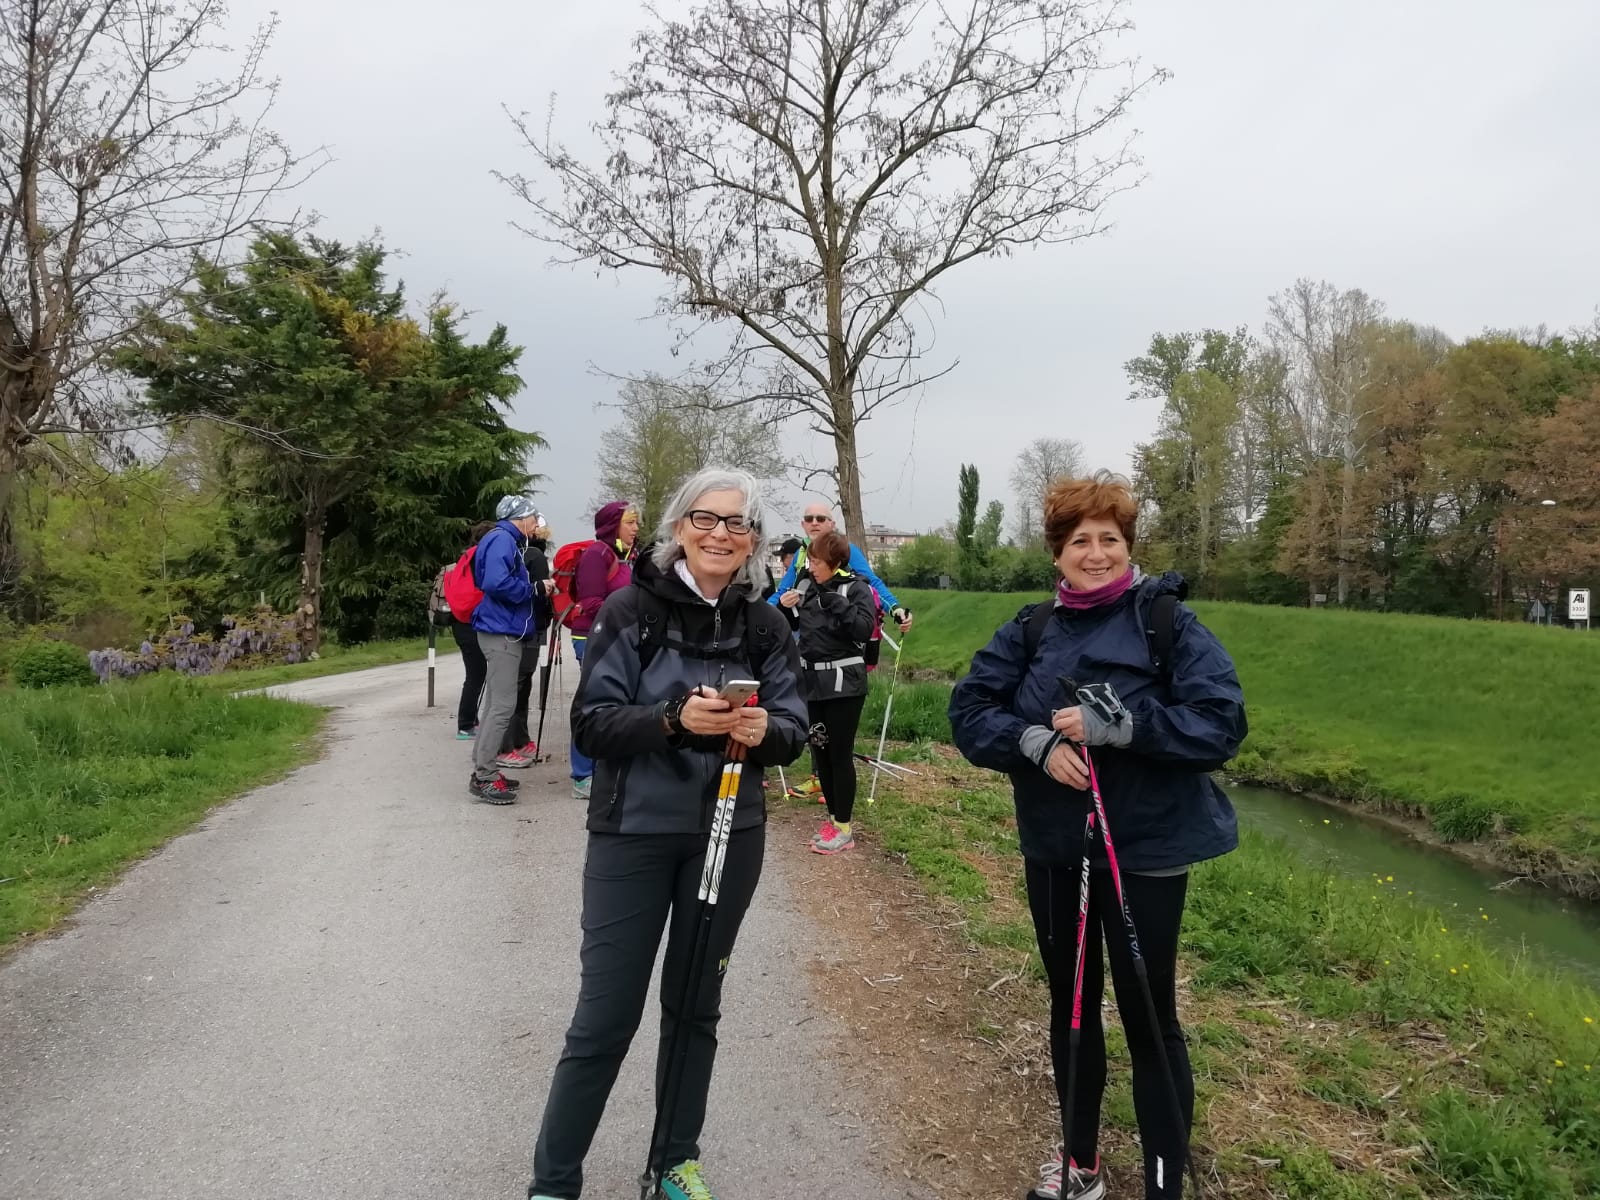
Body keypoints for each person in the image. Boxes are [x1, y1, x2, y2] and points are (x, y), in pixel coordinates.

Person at [947, 472, 1246, 1200]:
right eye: (1080, 540)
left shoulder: (1168, 624)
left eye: (1110, 538)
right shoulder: (1031, 629)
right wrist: (1032, 742)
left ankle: (1165, 1182)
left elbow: (1220, 723)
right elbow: (971, 709)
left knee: (1150, 1015)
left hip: (1147, 849)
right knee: (1073, 1004)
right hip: (1058, 850)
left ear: (1128, 545)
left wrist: (1127, 728)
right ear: (1058, 552)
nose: (1096, 553)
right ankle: (1079, 1164)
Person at [527, 467, 808, 1200]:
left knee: (694, 1008)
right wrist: (672, 719)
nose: (720, 534)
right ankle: (554, 1181)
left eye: (737, 522)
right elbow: (591, 724)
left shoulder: (767, 625)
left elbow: (793, 727)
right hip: (634, 832)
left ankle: (675, 1160)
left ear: (754, 539)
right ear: (679, 527)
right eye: (705, 519)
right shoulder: (631, 610)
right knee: (606, 1016)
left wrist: (765, 729)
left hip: (727, 835)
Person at [773, 503, 909, 801]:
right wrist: (760, 618)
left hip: (838, 645)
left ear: (831, 523)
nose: (814, 522)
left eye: (821, 518)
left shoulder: (845, 551)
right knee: (815, 725)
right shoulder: (801, 555)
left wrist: (895, 608)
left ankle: (831, 787)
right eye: (809, 518)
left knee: (836, 732)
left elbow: (872, 583)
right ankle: (818, 776)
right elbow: (782, 592)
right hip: (805, 640)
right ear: (803, 524)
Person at [788, 530, 877, 854]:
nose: (811, 567)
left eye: (816, 562)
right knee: (820, 753)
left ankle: (844, 828)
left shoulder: (856, 588)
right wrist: (786, 609)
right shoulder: (806, 585)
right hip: (812, 682)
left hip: (844, 684)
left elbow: (863, 630)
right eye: (810, 561)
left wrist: (840, 605)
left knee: (839, 755)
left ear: (834, 562)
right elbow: (797, 628)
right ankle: (832, 821)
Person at [468, 495, 546, 804]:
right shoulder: (503, 539)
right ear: (521, 518)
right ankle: (484, 776)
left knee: (494, 705)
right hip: (501, 632)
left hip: (497, 629)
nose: (536, 524)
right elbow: (495, 583)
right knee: (502, 706)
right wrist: (534, 588)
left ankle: (483, 767)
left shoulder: (499, 538)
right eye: (533, 518)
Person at [566, 500, 640, 799]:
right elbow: (591, 602)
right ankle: (583, 775)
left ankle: (607, 768)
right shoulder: (597, 555)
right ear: (613, 525)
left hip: (620, 638)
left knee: (619, 703)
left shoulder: (626, 555)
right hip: (591, 638)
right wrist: (630, 617)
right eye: (630, 522)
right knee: (593, 702)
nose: (636, 528)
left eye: (636, 522)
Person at [496, 520, 556, 766]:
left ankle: (519, 741)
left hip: (517, 626)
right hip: (529, 627)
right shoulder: (535, 557)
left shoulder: (519, 553)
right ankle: (506, 746)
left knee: (519, 685)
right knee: (518, 687)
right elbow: (541, 596)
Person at [450, 519, 496, 740]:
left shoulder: (466, 556)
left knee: (476, 673)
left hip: (460, 619)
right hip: (471, 620)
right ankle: (465, 724)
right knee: (476, 674)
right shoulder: (481, 556)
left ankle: (471, 720)